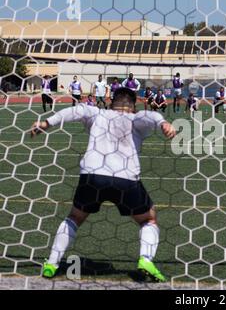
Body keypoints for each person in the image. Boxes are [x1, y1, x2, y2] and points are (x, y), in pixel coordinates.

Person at [31, 87, 176, 282]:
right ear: (133, 106)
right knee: (148, 219)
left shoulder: (97, 113)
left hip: (92, 176)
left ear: (111, 101)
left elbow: (75, 110)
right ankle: (146, 260)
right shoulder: (135, 119)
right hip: (126, 179)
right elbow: (150, 116)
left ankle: (52, 263)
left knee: (74, 217)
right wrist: (164, 123)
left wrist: (46, 123)